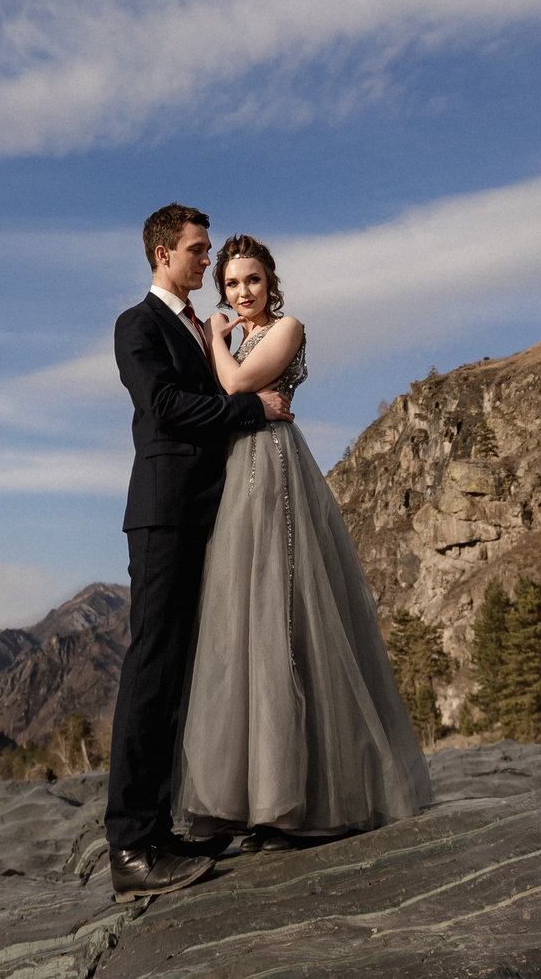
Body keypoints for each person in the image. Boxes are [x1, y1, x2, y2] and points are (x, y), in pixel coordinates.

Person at [176, 234, 433, 849]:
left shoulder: (286, 328)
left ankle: (301, 801)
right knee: (244, 626)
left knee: (286, 618)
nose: (242, 292)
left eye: (253, 281)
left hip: (273, 473)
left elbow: (236, 386)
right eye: (233, 284)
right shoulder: (240, 334)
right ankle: (253, 800)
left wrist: (213, 335)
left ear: (272, 284)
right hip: (236, 476)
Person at [104, 204, 295, 903]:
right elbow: (165, 408)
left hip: (207, 515)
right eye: (196, 249)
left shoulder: (196, 326)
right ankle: (129, 845)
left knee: (184, 672)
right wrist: (254, 410)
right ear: (161, 254)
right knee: (151, 672)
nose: (205, 260)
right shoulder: (138, 324)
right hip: (163, 516)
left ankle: (165, 829)